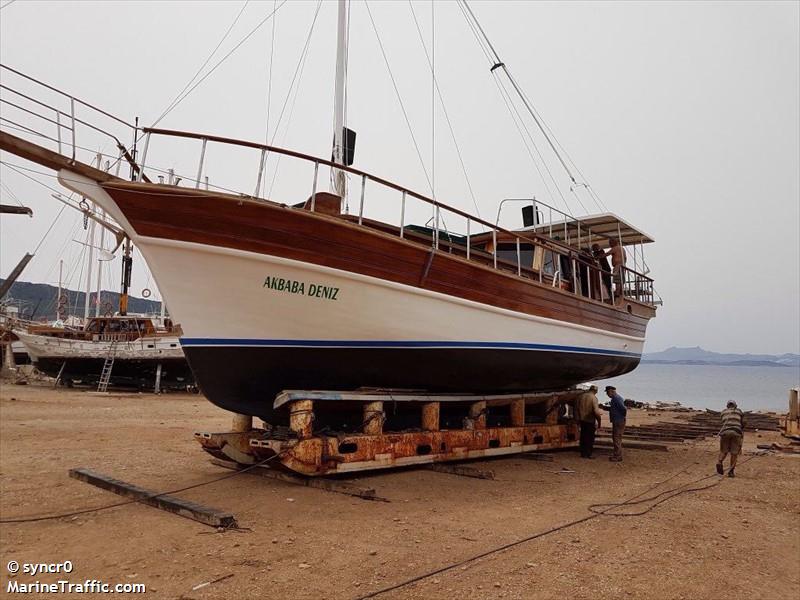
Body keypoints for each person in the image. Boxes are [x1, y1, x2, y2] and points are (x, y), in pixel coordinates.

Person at [717, 401, 745, 477]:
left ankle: (719, 462)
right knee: (734, 453)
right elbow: (743, 422)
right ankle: (731, 471)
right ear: (735, 405)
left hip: (725, 432)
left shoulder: (723, 412)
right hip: (736, 432)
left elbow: (722, 422)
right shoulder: (739, 411)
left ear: (727, 406)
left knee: (723, 451)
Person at [574, 385, 602, 458]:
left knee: (583, 437)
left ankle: (583, 453)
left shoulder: (580, 397)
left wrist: (577, 420)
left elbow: (576, 409)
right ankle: (588, 453)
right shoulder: (593, 398)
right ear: (595, 391)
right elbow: (596, 411)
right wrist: (599, 422)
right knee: (589, 438)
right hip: (589, 420)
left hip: (582, 420)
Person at [605, 386, 627, 461]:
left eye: (608, 392)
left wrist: (621, 417)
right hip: (618, 420)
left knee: (616, 438)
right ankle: (617, 454)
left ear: (611, 391)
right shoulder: (616, 398)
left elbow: (623, 409)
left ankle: (618, 456)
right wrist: (604, 408)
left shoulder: (616, 398)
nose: (607, 394)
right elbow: (614, 409)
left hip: (618, 421)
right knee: (617, 438)